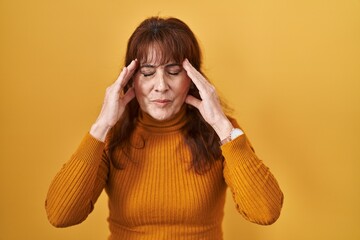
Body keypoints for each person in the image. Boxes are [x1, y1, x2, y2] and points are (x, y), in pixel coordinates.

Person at [45, 16, 283, 240]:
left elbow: (265, 212)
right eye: (147, 73)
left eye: (173, 71)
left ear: (192, 77)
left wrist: (221, 125)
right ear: (130, 79)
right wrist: (101, 126)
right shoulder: (111, 135)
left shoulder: (223, 133)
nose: (160, 86)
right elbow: (60, 215)